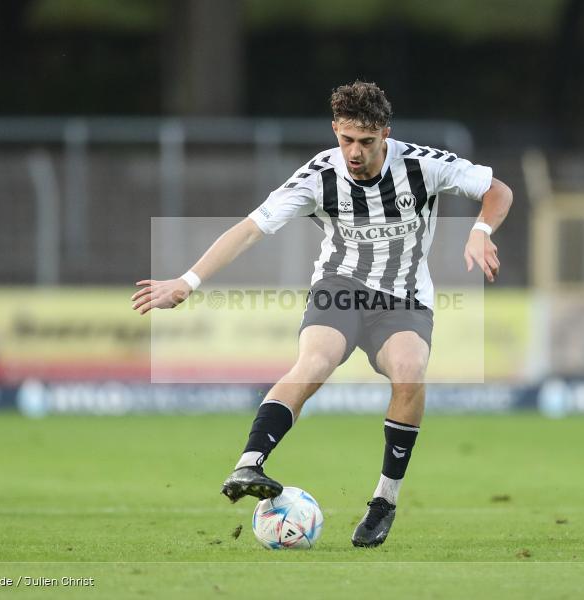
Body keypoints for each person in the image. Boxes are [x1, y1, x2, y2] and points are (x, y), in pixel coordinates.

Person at [132, 81, 512, 547]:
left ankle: (384, 500)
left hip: (404, 298)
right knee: (314, 362)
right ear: (335, 130)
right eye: (347, 139)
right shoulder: (319, 175)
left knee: (410, 372)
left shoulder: (422, 165)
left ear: (386, 134)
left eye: (366, 141)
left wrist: (480, 230)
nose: (355, 152)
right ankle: (249, 464)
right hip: (340, 287)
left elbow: (498, 190)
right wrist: (187, 281)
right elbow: (249, 229)